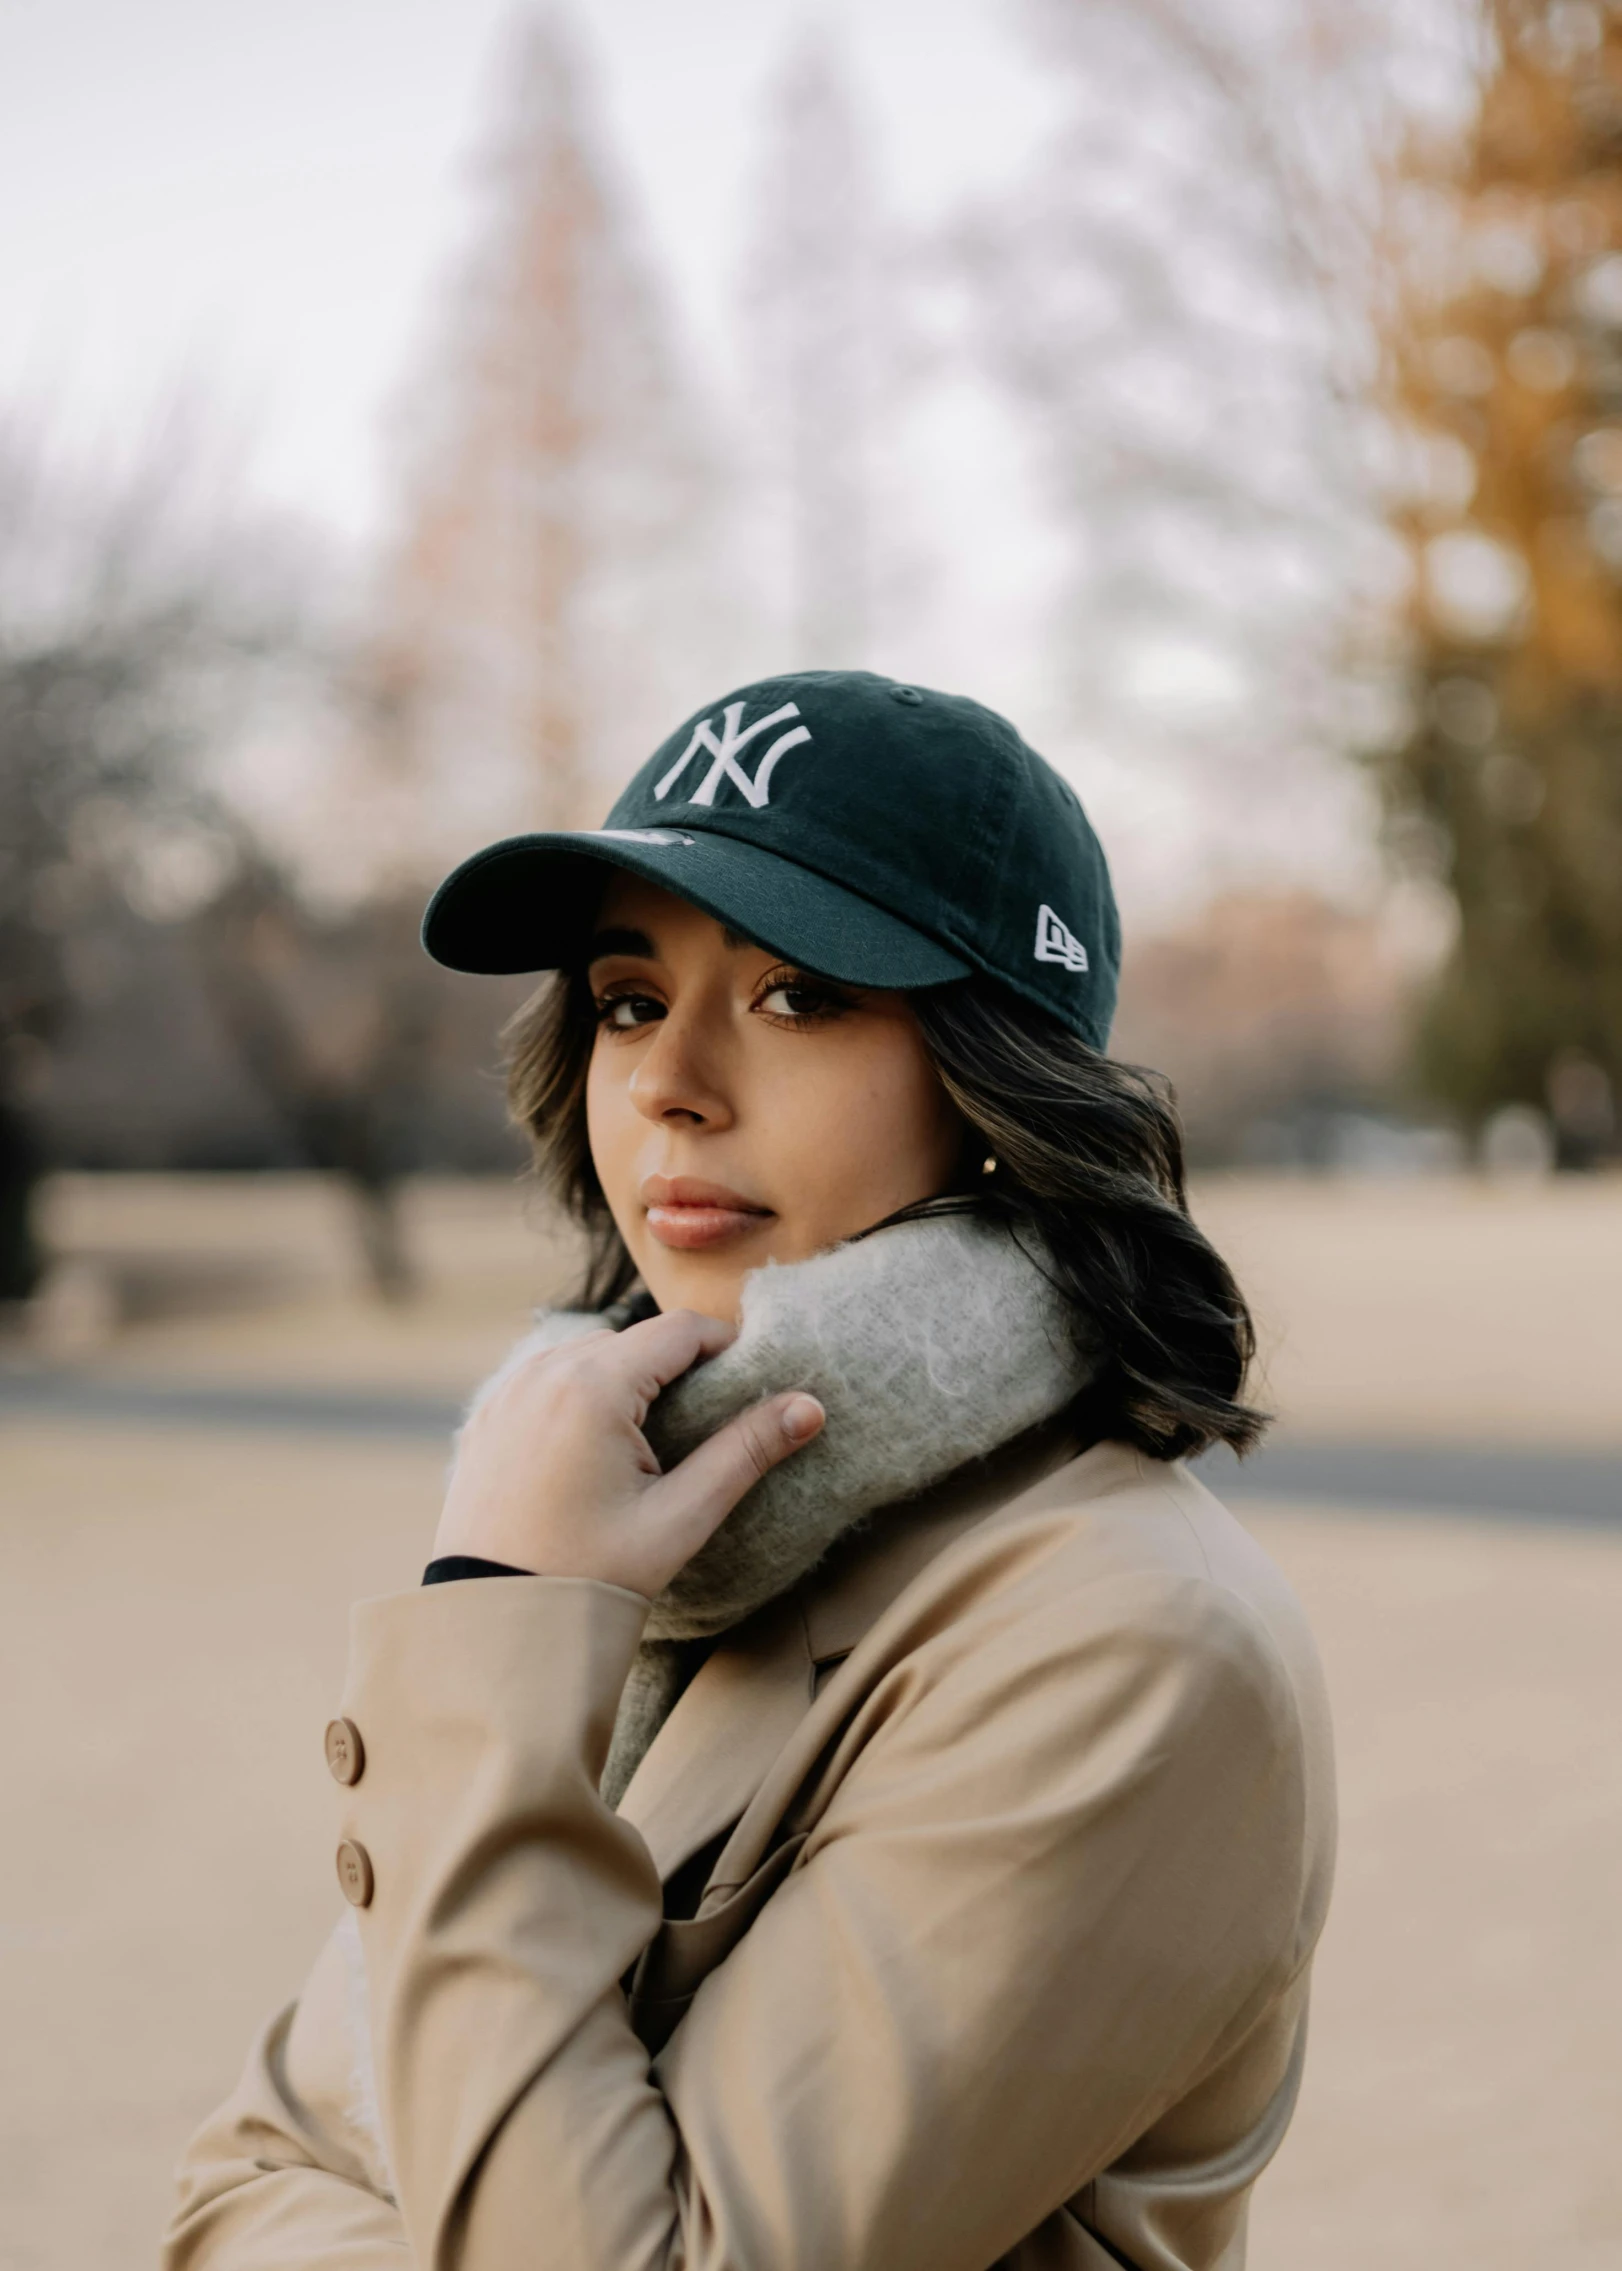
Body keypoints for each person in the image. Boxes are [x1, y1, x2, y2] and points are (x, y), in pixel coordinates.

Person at [166, 670, 1335, 2271]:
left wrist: (503, 1612)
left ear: (997, 1087)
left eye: (798, 994)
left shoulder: (1127, 1642)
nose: (666, 1081)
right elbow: (239, 2182)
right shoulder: (641, 1522)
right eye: (630, 998)